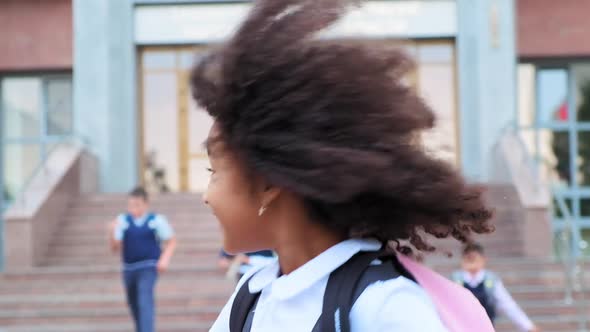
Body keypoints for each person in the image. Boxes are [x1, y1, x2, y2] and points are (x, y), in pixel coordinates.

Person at [191, 0, 494, 330]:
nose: (207, 196)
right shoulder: (250, 297)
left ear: (267, 184)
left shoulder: (384, 307)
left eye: (215, 172)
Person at [107, 187, 177, 332]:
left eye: (137, 205)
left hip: (149, 266)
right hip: (129, 269)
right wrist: (111, 232)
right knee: (133, 303)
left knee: (145, 299)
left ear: (146, 204)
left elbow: (171, 241)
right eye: (131, 205)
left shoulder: (156, 220)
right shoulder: (122, 220)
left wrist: (164, 259)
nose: (133, 208)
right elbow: (114, 248)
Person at [452, 243, 540, 332]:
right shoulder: (455, 280)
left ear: (483, 259)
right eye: (468, 258)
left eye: (474, 258)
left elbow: (507, 304)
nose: (471, 261)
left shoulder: (491, 280)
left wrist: (528, 326)